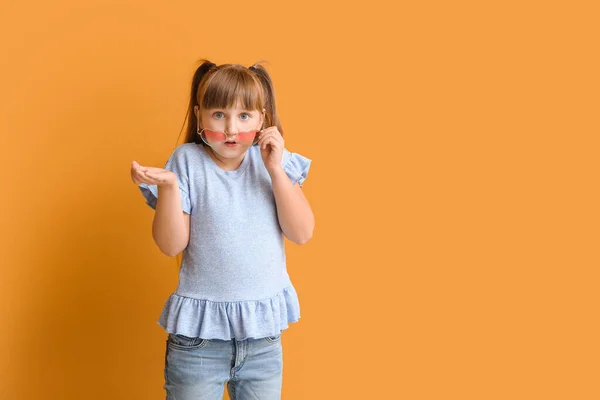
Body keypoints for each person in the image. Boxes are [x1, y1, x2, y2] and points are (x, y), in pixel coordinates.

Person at [130, 59, 314, 400]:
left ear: (262, 118)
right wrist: (170, 186)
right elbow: (171, 245)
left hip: (262, 340)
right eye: (218, 115)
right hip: (199, 342)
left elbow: (302, 232)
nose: (231, 129)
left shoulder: (275, 161)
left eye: (244, 116)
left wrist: (275, 170)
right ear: (200, 115)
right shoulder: (187, 161)